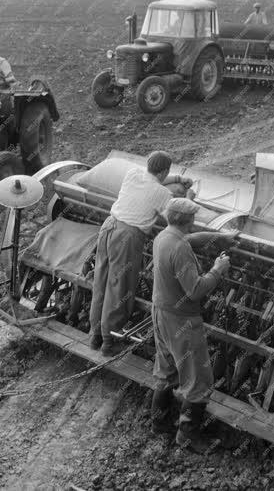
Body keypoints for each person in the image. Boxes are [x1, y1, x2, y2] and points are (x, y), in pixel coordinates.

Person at [150, 197, 238, 453]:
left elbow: (187, 239)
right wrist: (218, 269)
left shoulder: (163, 237)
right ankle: (187, 436)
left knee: (167, 370)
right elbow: (196, 290)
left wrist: (219, 237)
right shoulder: (179, 249)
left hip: (161, 314)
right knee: (199, 380)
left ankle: (160, 422)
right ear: (188, 220)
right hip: (182, 321)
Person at [89, 151, 194, 357]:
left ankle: (95, 336)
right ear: (164, 171)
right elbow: (177, 218)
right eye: (167, 174)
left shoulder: (133, 174)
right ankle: (109, 342)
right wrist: (189, 197)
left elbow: (156, 179)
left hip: (108, 227)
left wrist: (179, 179)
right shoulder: (163, 195)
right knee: (119, 287)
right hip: (127, 237)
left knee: (101, 280)